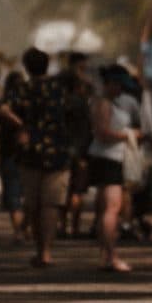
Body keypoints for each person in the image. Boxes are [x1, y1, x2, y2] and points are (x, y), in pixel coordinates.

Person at [10, 48, 71, 268]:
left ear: (26, 67)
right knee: (51, 205)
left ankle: (39, 250)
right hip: (58, 152)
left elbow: (4, 109)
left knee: (34, 204)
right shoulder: (60, 88)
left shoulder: (22, 89)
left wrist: (21, 126)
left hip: (30, 153)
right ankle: (46, 251)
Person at [87, 65, 139, 272]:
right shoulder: (103, 104)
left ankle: (105, 254)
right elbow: (102, 133)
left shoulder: (107, 103)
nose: (120, 89)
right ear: (108, 84)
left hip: (109, 158)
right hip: (108, 159)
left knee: (105, 209)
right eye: (117, 85)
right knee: (112, 208)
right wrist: (129, 135)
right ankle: (112, 256)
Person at [60, 54, 94, 237]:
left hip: (62, 150)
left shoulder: (59, 102)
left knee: (64, 190)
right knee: (77, 191)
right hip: (80, 150)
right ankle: (74, 227)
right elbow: (88, 127)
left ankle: (63, 226)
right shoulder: (82, 103)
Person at [0, 70, 27, 243]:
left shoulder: (6, 102)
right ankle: (23, 229)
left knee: (14, 193)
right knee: (24, 192)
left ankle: (19, 231)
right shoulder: (31, 100)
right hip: (24, 153)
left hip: (10, 153)